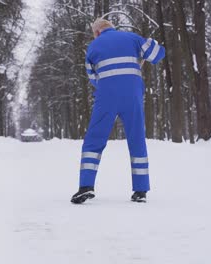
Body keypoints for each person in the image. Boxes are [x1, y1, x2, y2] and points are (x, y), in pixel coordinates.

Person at [71, 18, 165, 204]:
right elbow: (158, 54)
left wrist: (110, 86)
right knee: (137, 138)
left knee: (94, 140)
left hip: (106, 96)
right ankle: (140, 191)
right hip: (133, 95)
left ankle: (86, 187)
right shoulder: (132, 38)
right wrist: (151, 44)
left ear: (97, 33)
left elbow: (93, 79)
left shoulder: (93, 47)